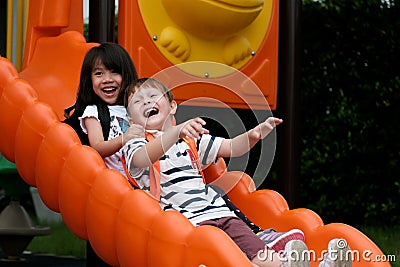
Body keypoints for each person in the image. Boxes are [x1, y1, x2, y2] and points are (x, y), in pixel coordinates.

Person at [122, 77, 308, 266]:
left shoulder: (190, 140)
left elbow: (231, 147)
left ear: (172, 106)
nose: (146, 101)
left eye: (152, 96)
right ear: (131, 120)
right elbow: (141, 159)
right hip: (189, 224)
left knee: (260, 253)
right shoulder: (137, 143)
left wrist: (253, 135)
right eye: (137, 101)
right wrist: (176, 131)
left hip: (221, 212)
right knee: (230, 258)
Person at [63, 42, 141, 267]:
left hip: (138, 189)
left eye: (114, 71)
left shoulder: (135, 110)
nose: (107, 79)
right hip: (109, 194)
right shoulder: (93, 112)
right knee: (105, 250)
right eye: (99, 73)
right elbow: (97, 146)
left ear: (126, 75)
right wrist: (124, 139)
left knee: (132, 249)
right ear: (90, 81)